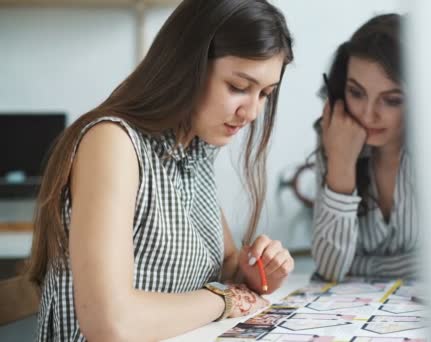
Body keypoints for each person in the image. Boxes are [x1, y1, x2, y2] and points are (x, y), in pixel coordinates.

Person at [27, 0, 295, 340]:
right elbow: (110, 324)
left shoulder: (195, 151)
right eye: (239, 87)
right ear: (186, 64)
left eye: (265, 94)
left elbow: (227, 265)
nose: (252, 112)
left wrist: (258, 271)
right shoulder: (113, 143)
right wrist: (226, 299)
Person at [311, 13, 418, 282]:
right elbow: (332, 269)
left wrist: (360, 266)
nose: (368, 115)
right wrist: (341, 164)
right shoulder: (336, 135)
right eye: (356, 93)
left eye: (392, 100)